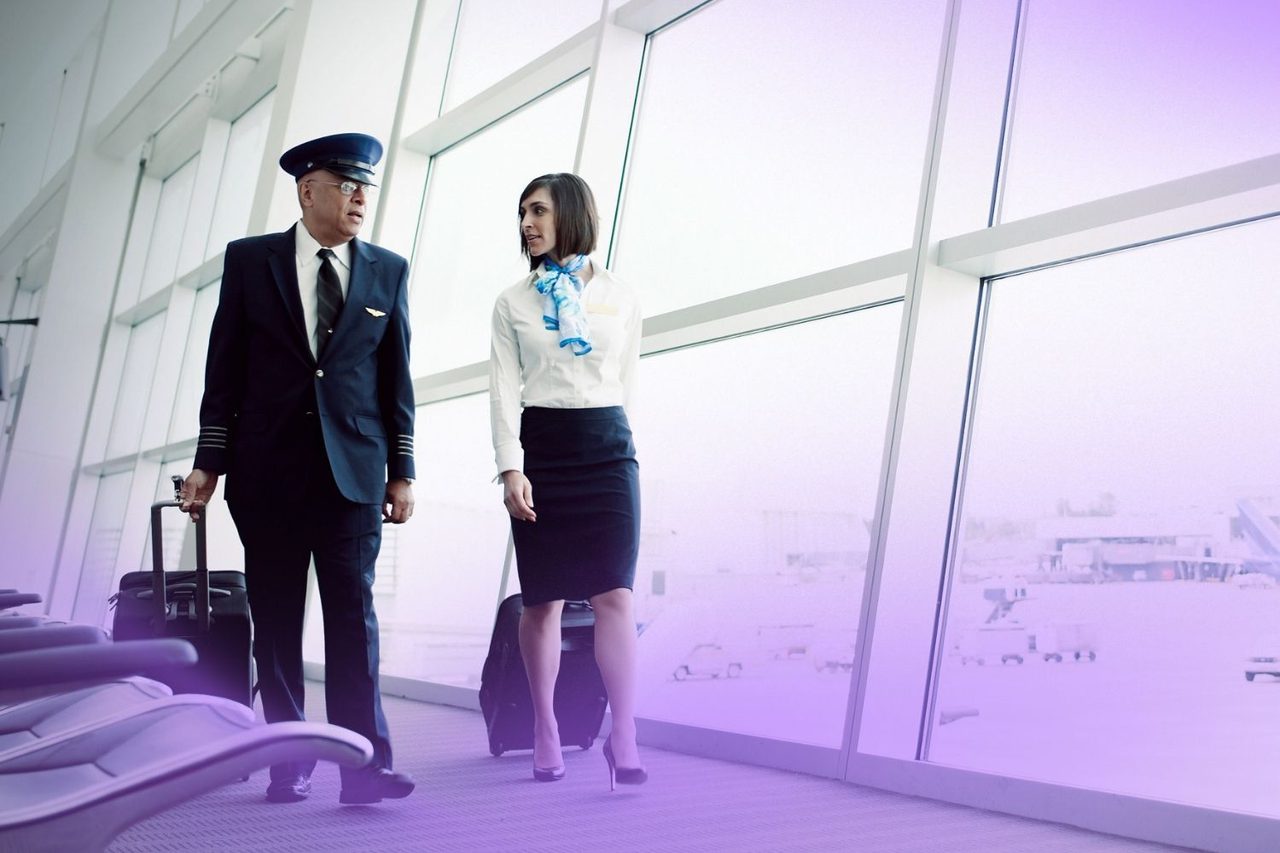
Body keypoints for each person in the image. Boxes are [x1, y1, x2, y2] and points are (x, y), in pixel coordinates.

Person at [179, 133, 417, 805]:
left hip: (353, 474)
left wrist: (403, 468)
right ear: (306, 188)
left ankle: (365, 764)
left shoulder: (387, 270)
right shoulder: (251, 261)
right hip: (267, 472)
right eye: (346, 184)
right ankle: (290, 757)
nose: (360, 196)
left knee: (353, 619)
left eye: (365, 186)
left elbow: (395, 379)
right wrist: (209, 461)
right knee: (278, 622)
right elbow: (222, 369)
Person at [489, 172, 647, 789]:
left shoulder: (621, 296)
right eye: (523, 212)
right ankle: (545, 727)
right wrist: (510, 466)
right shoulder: (512, 302)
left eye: (538, 211)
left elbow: (625, 381)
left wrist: (619, 439)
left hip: (608, 449)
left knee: (616, 596)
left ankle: (624, 734)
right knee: (543, 599)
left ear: (572, 216)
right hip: (543, 448)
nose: (527, 223)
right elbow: (504, 390)